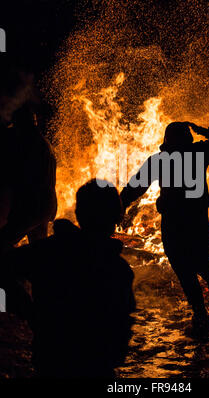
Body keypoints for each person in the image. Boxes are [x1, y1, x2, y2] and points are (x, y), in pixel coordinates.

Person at [0, 179, 135, 377]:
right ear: (117, 217)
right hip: (96, 367)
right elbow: (122, 325)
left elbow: (3, 268)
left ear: (79, 214)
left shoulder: (46, 252)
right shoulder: (118, 269)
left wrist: (27, 309)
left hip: (50, 361)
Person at [121, 121, 209, 335]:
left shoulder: (159, 161)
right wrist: (203, 130)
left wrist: (119, 204)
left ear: (166, 141)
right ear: (188, 138)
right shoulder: (198, 153)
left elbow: (136, 186)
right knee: (204, 261)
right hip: (196, 221)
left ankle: (201, 314)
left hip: (174, 225)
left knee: (185, 272)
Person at [0, 103, 57, 248]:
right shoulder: (45, 144)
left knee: (4, 241)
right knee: (39, 248)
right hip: (45, 205)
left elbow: (15, 175)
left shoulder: (26, 143)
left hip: (30, 205)